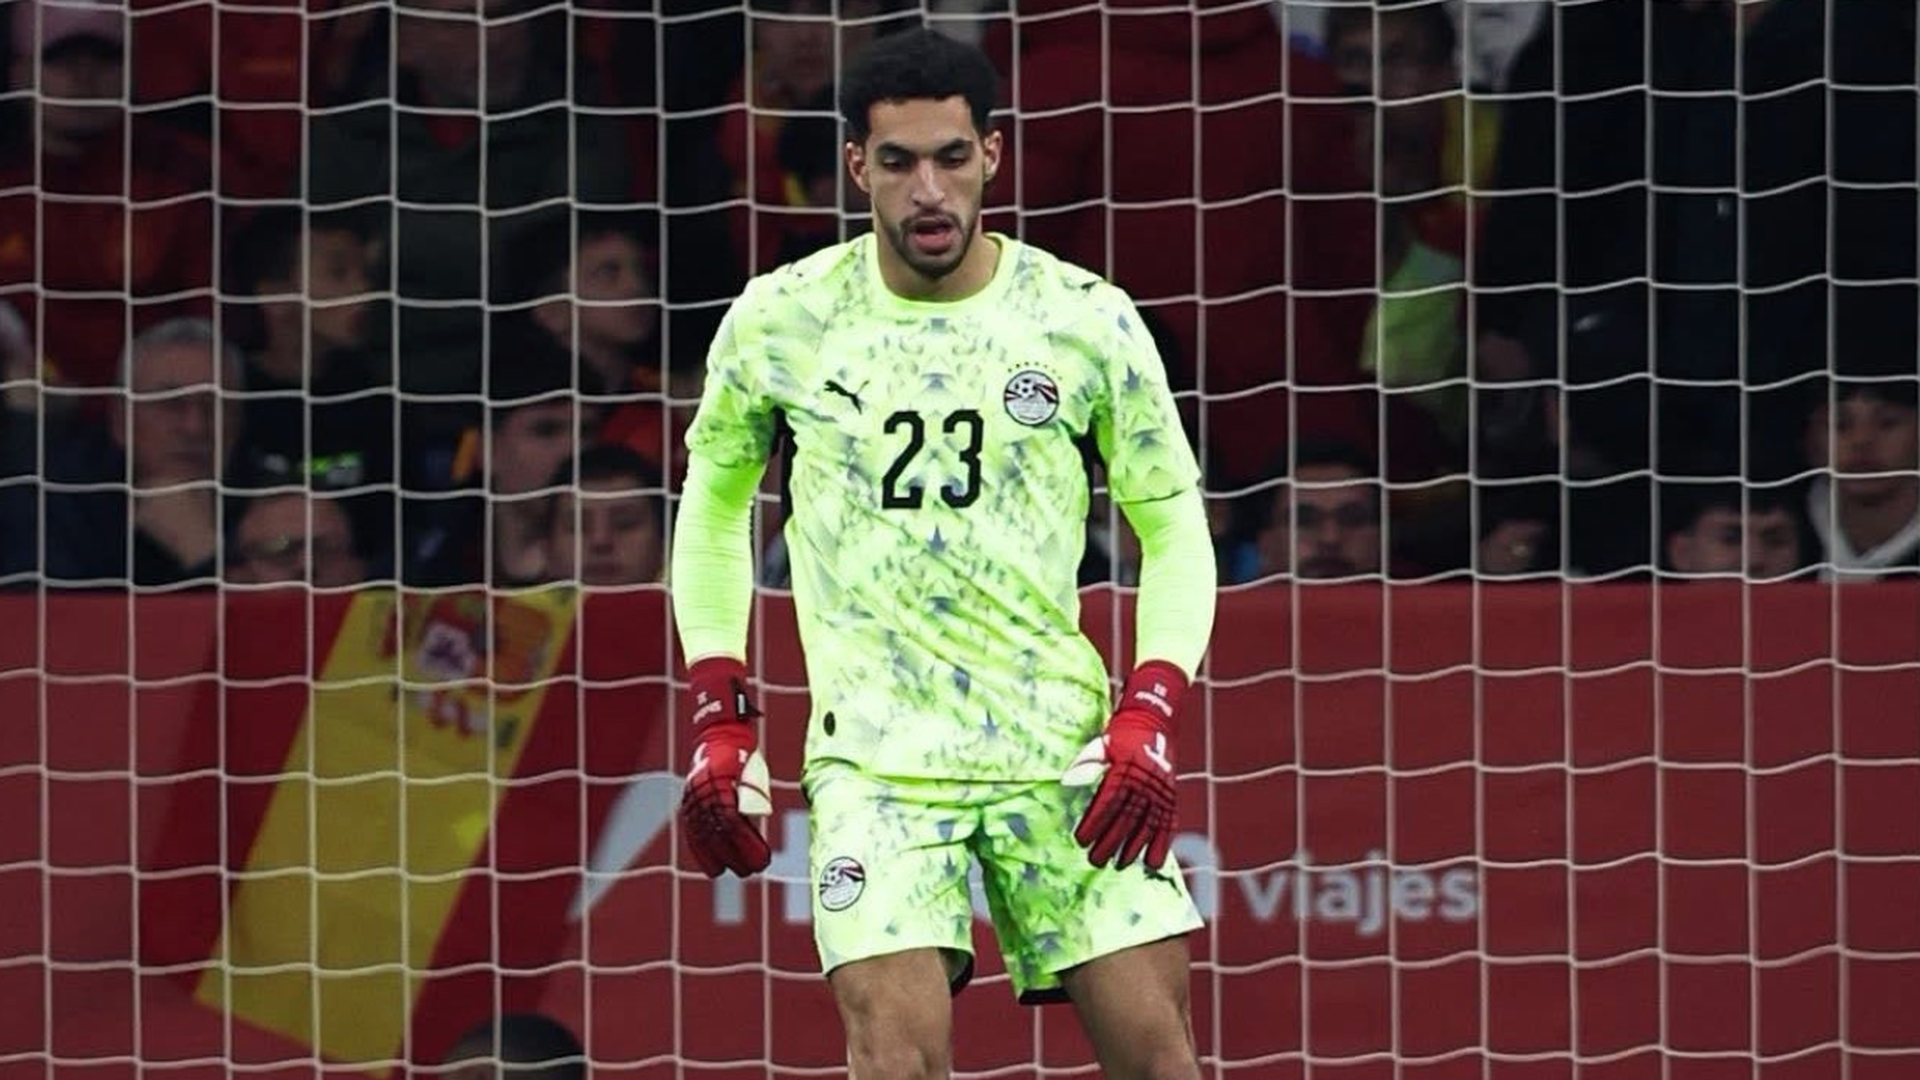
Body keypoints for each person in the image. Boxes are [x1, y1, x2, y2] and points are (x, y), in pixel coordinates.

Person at [670, 28, 1216, 1080]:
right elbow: (713, 514)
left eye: (952, 158)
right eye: (900, 161)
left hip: (1061, 745)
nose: (929, 190)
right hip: (876, 761)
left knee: (1160, 1059)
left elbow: (1172, 524)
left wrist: (1150, 711)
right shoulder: (784, 318)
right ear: (856, 166)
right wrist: (721, 715)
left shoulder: (1084, 319)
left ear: (992, 155)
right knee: (893, 1057)